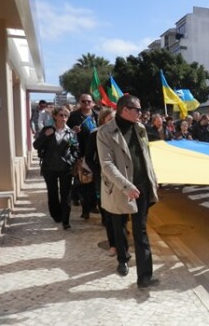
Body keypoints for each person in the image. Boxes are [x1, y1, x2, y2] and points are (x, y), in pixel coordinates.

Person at [97, 94, 159, 289]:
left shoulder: (140, 128)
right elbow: (106, 164)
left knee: (140, 231)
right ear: (125, 110)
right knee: (119, 225)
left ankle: (144, 277)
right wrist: (126, 185)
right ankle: (122, 260)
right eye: (137, 110)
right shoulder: (105, 132)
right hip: (119, 188)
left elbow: (146, 157)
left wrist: (153, 181)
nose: (141, 113)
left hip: (141, 186)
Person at [33, 106, 78, 230]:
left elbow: (76, 149)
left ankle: (65, 220)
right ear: (55, 116)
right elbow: (36, 145)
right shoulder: (47, 130)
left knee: (66, 194)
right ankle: (56, 215)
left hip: (65, 168)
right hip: (49, 167)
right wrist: (45, 136)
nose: (63, 118)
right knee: (52, 193)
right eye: (61, 115)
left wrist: (71, 161)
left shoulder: (71, 133)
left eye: (66, 116)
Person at [85, 107, 118, 256]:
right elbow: (88, 158)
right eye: (110, 119)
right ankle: (113, 241)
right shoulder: (95, 134)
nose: (113, 122)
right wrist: (99, 171)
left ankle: (121, 230)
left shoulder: (120, 134)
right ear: (103, 120)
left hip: (120, 177)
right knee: (108, 210)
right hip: (104, 177)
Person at [67, 93, 99, 220]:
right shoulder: (73, 116)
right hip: (82, 155)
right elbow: (66, 132)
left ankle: (93, 205)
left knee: (95, 183)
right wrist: (72, 131)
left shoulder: (97, 116)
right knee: (84, 183)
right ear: (80, 102)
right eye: (84, 101)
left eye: (88, 101)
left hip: (96, 155)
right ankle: (85, 209)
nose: (86, 104)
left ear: (92, 103)